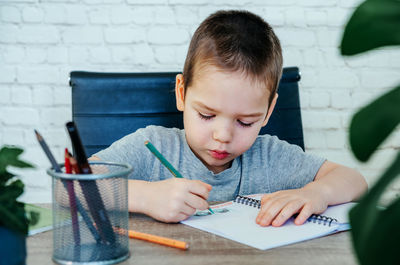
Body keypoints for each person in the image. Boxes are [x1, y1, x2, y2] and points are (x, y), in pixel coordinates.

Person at [93, 10, 367, 227]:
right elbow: (70, 184)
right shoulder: (151, 146)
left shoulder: (270, 156)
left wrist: (315, 193)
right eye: (206, 115)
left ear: (269, 111)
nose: (223, 136)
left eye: (245, 122)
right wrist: (144, 197)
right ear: (181, 93)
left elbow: (354, 180)